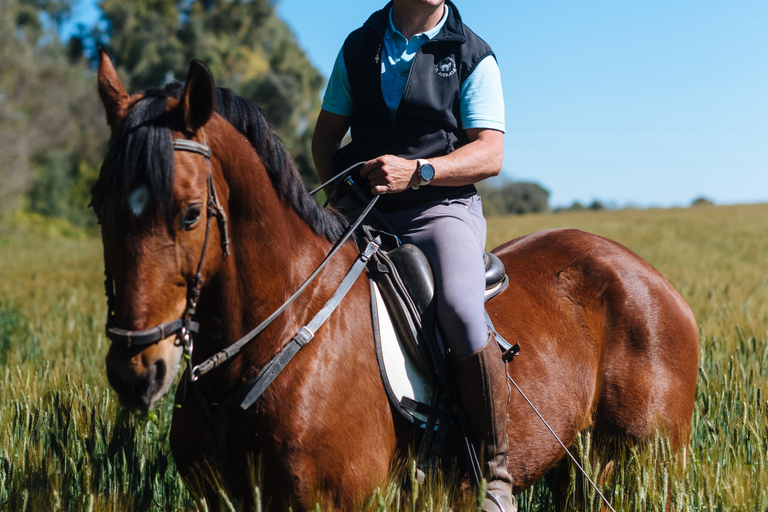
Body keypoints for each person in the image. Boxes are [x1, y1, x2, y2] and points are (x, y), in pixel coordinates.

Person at [312, 1, 514, 510]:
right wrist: (340, 199)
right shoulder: (359, 46)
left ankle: (494, 473)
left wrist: (420, 172)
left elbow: (490, 153)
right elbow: (325, 138)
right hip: (362, 211)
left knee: (461, 310)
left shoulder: (473, 54)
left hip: (440, 209)